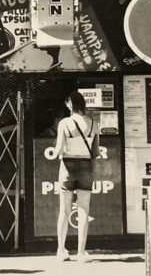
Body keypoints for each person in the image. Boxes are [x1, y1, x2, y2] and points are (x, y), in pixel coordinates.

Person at [54, 91, 100, 263]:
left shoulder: (64, 123)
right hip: (86, 166)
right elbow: (96, 151)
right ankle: (81, 252)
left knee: (64, 210)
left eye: (68, 103)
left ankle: (61, 250)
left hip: (67, 166)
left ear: (71, 105)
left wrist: (56, 152)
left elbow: (59, 150)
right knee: (84, 210)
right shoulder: (94, 123)